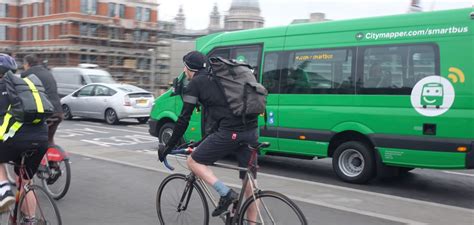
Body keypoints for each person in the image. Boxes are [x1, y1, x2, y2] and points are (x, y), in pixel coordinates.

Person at [159, 51, 259, 217]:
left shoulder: (196, 84)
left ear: (190, 68)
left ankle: (226, 193)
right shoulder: (219, 79)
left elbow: (184, 119)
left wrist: (168, 146)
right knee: (250, 187)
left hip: (231, 132)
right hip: (252, 131)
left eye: (185, 67)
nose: (184, 71)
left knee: (193, 161)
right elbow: (214, 124)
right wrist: (199, 144)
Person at [0, 54, 48, 224]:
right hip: (42, 138)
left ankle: (4, 191)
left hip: (15, 138)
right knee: (26, 180)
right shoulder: (27, 85)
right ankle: (30, 220)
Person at [22, 54, 63, 146]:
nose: (23, 67)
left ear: (27, 64)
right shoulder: (47, 72)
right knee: (49, 141)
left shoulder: (26, 75)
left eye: (23, 64)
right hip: (58, 112)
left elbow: (22, 93)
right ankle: (53, 158)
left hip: (44, 112)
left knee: (28, 138)